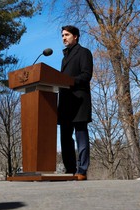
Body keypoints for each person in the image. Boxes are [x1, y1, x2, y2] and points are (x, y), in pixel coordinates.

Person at [57, 25, 93, 180]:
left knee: (80, 135)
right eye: (62, 35)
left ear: (76, 36)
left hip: (79, 101)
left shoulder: (84, 52)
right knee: (65, 137)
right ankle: (70, 169)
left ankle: (82, 170)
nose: (64, 38)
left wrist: (69, 81)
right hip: (65, 102)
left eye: (67, 35)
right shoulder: (64, 57)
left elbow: (86, 75)